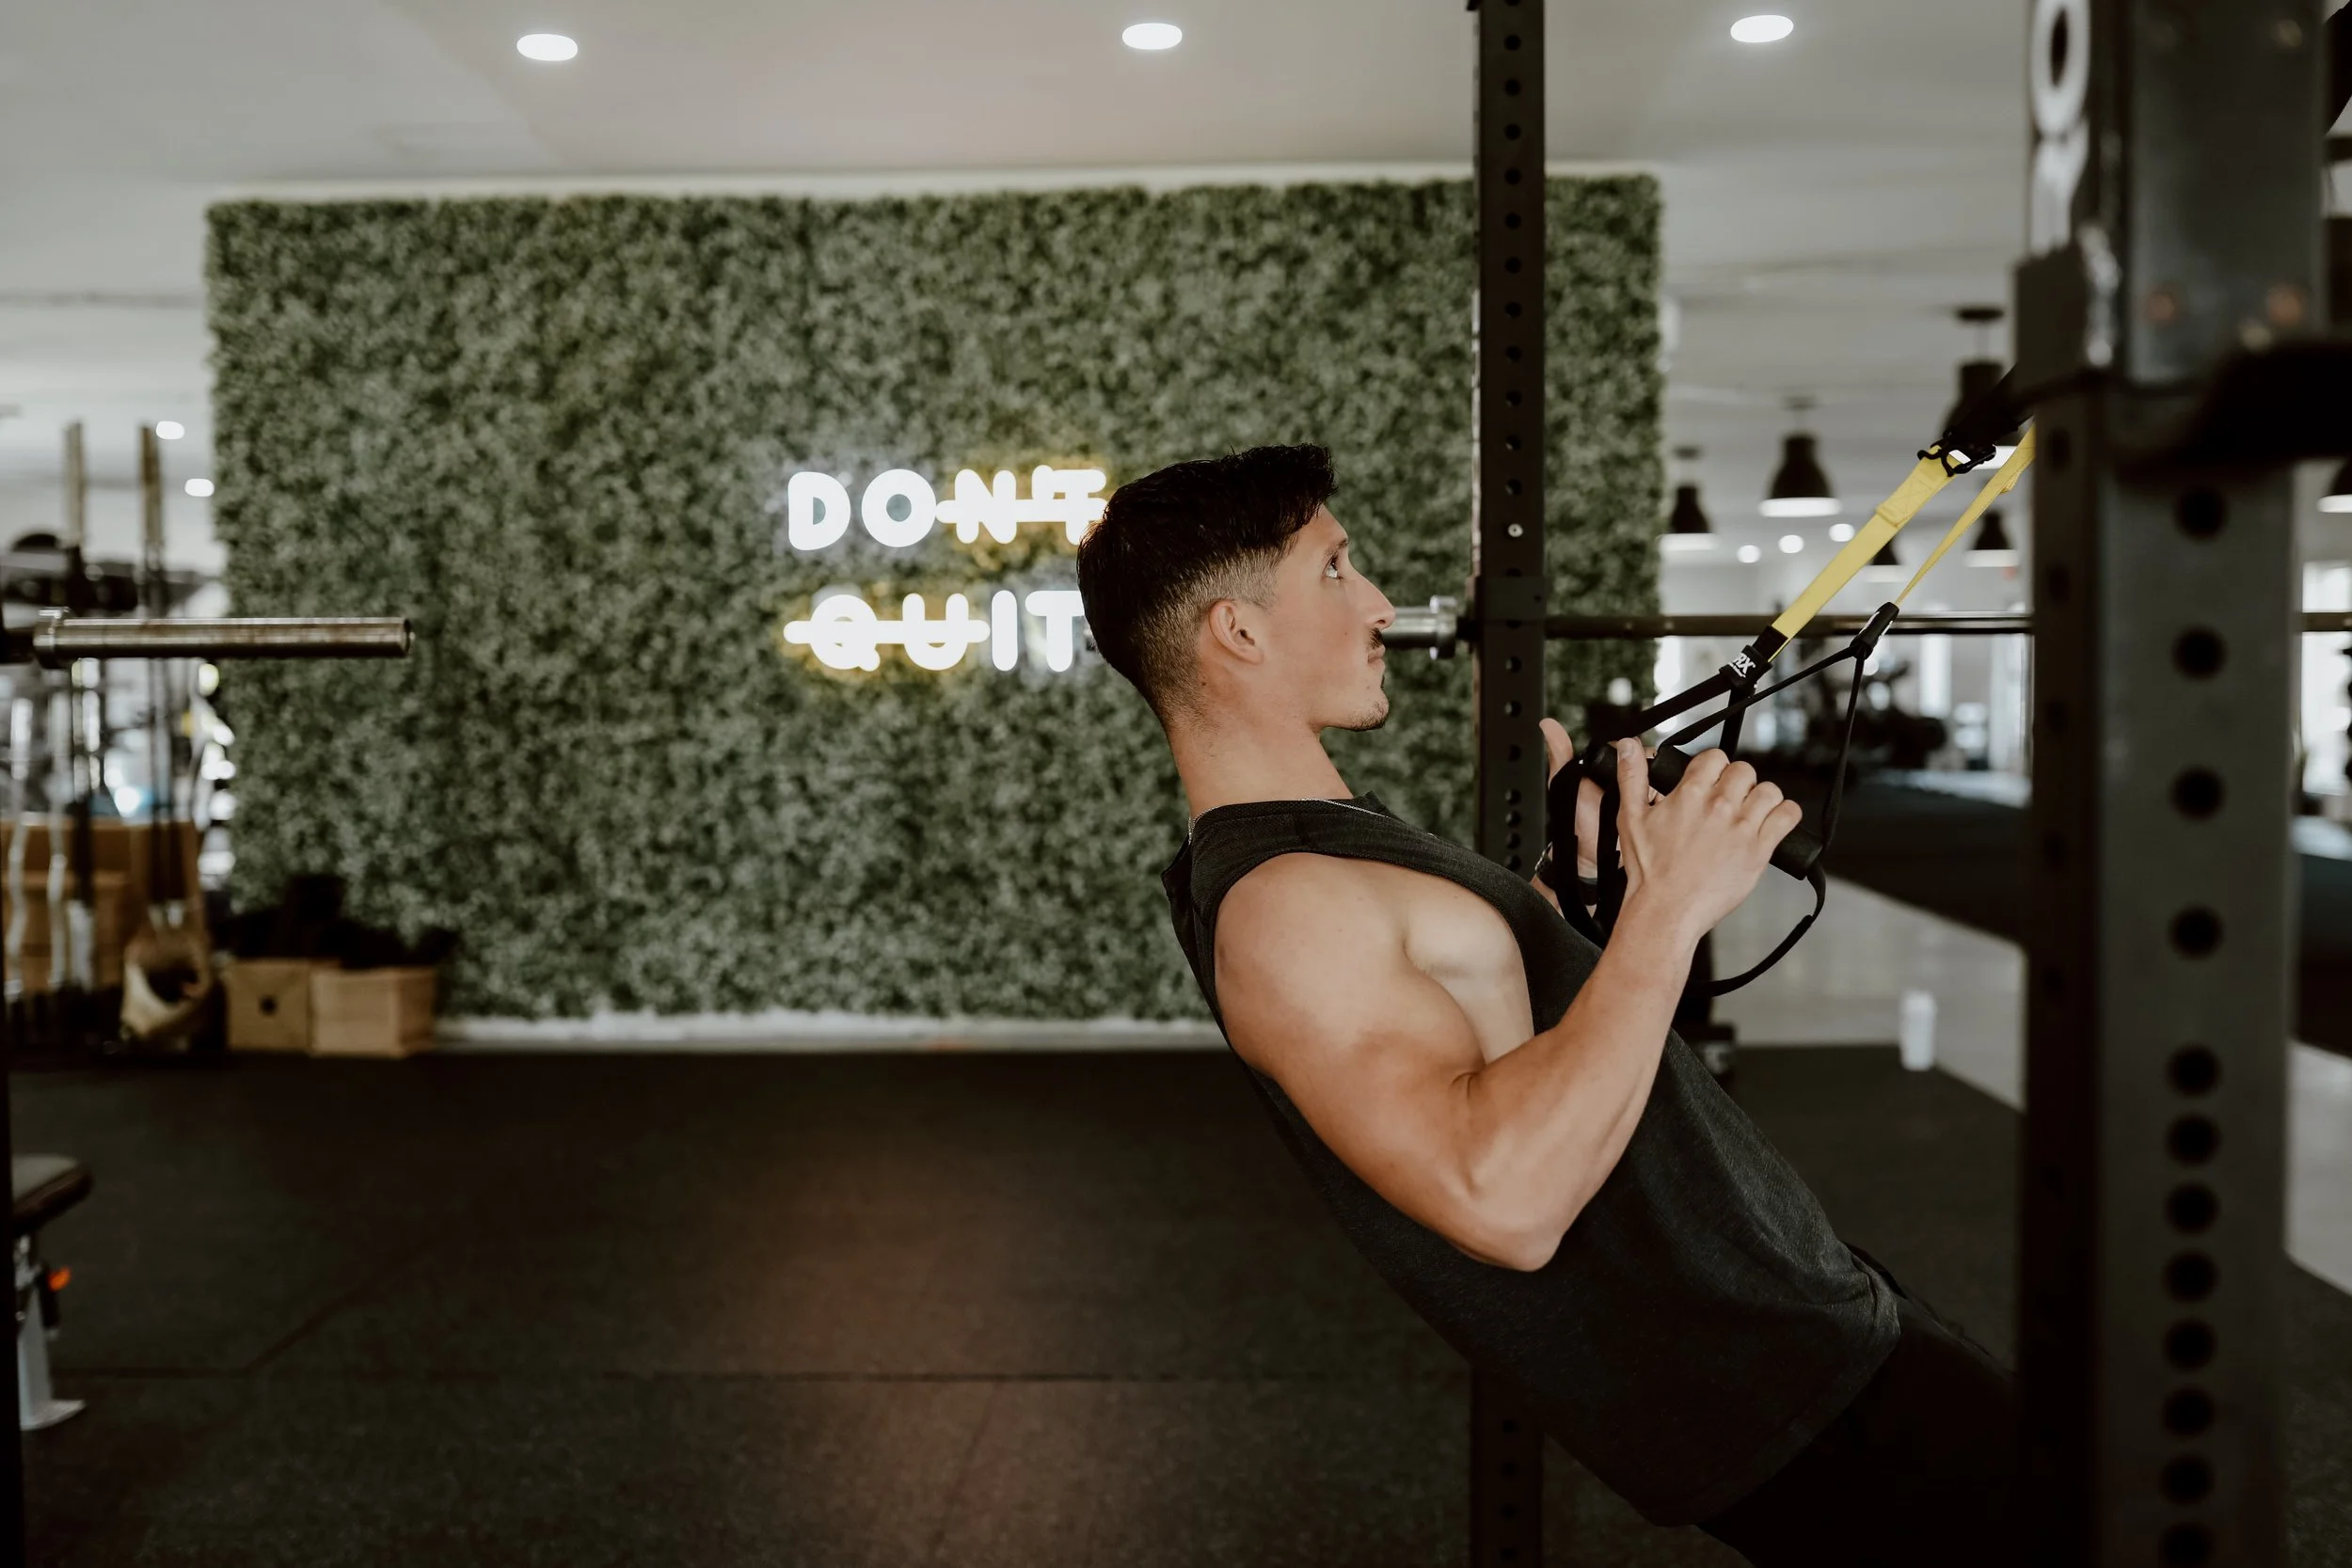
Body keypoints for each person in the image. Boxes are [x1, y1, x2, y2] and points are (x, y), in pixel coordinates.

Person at [1075, 444, 2017, 1566]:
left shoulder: (1327, 844)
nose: (1377, 601)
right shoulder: (1285, 906)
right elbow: (1500, 1196)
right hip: (1768, 1388)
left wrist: (1580, 903)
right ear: (1236, 631)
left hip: (1801, 1309)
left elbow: (1499, 1036)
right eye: (1336, 569)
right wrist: (1668, 914)